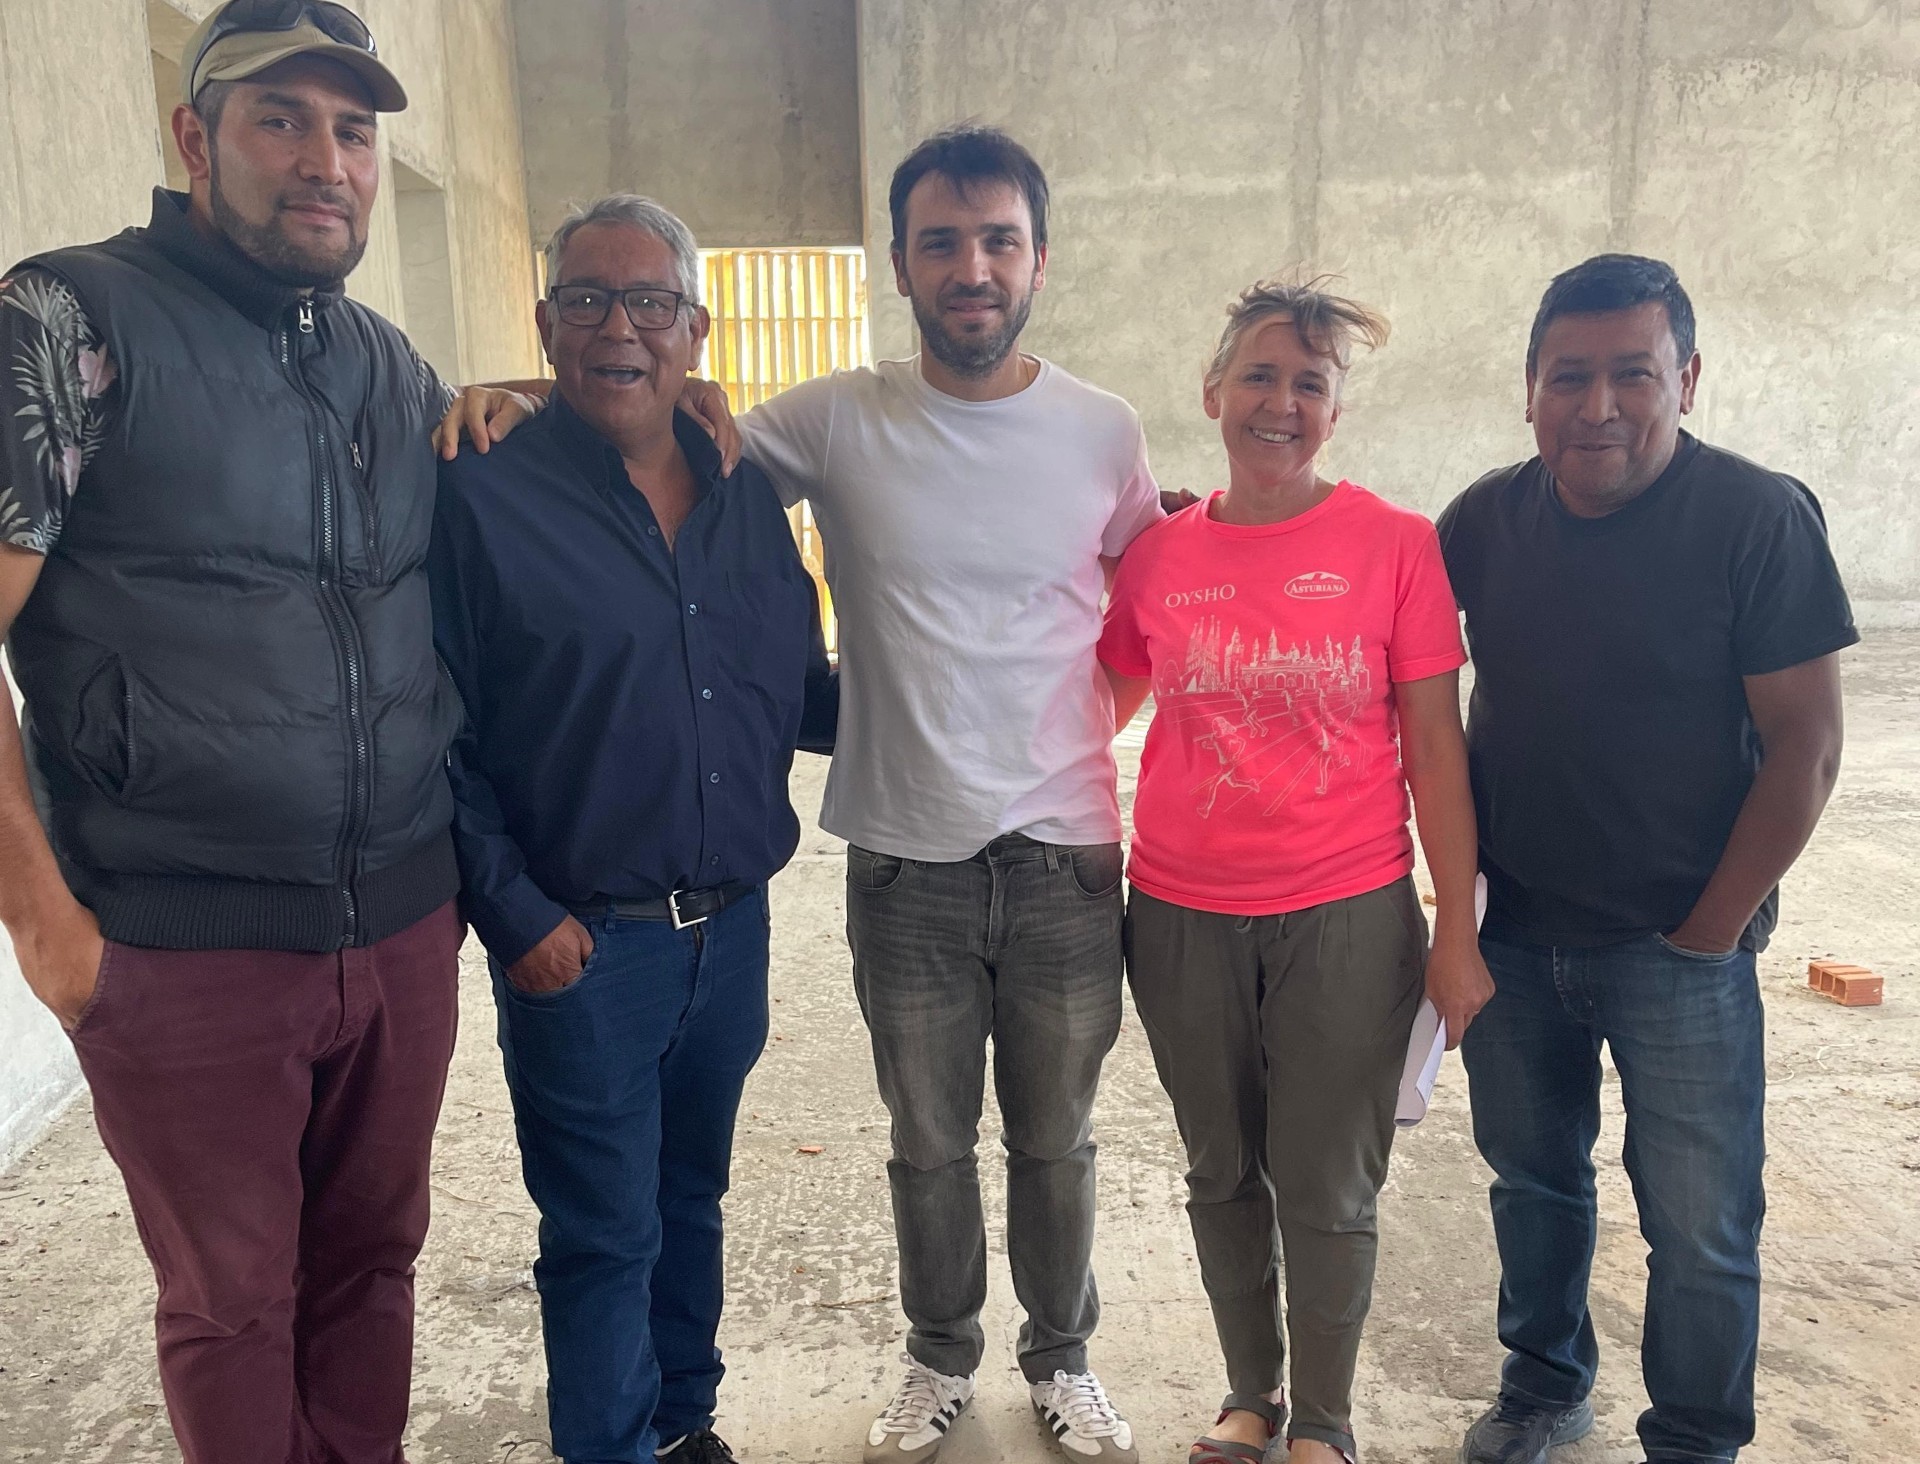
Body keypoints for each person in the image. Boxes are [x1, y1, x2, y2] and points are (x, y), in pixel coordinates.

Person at [445, 125, 1162, 1464]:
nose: (971, 266)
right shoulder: (827, 419)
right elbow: (634, 409)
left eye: (998, 239)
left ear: (1039, 261)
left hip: (1060, 855)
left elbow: (1162, 593)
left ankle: (1056, 1359)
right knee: (920, 1147)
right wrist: (513, 391)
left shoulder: (1102, 429)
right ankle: (934, 1360)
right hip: (894, 863)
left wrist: (1104, 714)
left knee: (1051, 1143)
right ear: (901, 262)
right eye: (942, 240)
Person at [0, 4, 473, 1460]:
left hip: (397, 920)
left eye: (353, 130)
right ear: (196, 138)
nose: (324, 159)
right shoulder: (66, 321)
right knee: (231, 1302)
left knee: (372, 1271)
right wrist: (44, 922)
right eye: (282, 119)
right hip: (181, 936)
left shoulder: (387, 365)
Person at [429, 194, 836, 1464]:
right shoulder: (481, 492)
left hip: (733, 935)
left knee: (689, 1198)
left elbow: (797, 690)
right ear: (547, 326)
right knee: (603, 1232)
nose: (622, 326)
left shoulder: (744, 493)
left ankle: (682, 1421)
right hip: (586, 948)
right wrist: (519, 921)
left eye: (651, 301)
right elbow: (432, 728)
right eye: (590, 300)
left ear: (696, 330)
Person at [1437, 254, 1856, 1464]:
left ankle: (1693, 1437)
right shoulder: (1485, 521)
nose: (1600, 406)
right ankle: (1544, 1386)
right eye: (1571, 376)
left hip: (1680, 944)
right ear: (1529, 389)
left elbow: (1808, 749)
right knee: (1534, 1185)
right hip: (1513, 936)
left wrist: (1711, 932)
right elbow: (1386, 649)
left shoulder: (1755, 518)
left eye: (1635, 372)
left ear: (1688, 377)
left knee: (1700, 1222)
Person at [1098, 278, 1492, 1464]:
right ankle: (1249, 1397)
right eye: (1260, 377)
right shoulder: (1158, 557)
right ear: (1214, 392)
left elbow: (1434, 744)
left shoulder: (1397, 547)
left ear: (1337, 411)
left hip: (1345, 918)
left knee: (1326, 1186)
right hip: (1174, 916)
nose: (1281, 402)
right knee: (1222, 1174)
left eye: (1309, 384)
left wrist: (1454, 932)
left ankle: (1322, 1420)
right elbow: (1100, 703)